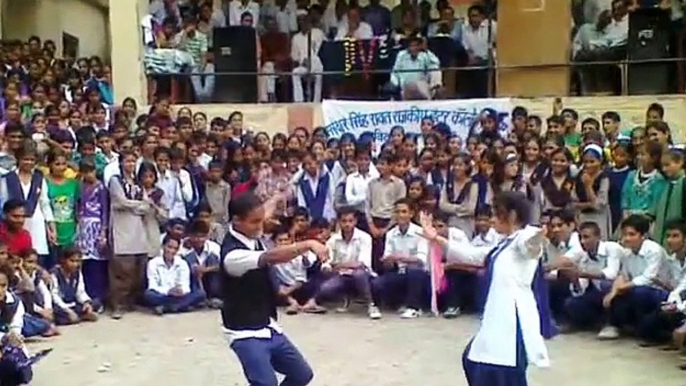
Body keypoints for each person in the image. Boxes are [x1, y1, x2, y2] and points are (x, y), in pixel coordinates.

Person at [418, 191, 549, 386]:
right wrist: (436, 238)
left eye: (497, 214)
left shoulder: (524, 237)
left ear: (512, 216)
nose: (493, 219)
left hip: (512, 319)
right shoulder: (504, 244)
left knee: (501, 370)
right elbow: (472, 255)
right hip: (496, 316)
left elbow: (531, 246)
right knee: (473, 360)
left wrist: (536, 239)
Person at [219, 192, 328, 386]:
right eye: (255, 222)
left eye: (262, 220)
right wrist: (308, 244)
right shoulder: (233, 255)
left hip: (267, 325)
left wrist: (278, 196)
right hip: (244, 333)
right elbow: (271, 257)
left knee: (302, 375)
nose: (261, 226)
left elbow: (264, 212)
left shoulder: (250, 229)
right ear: (236, 221)